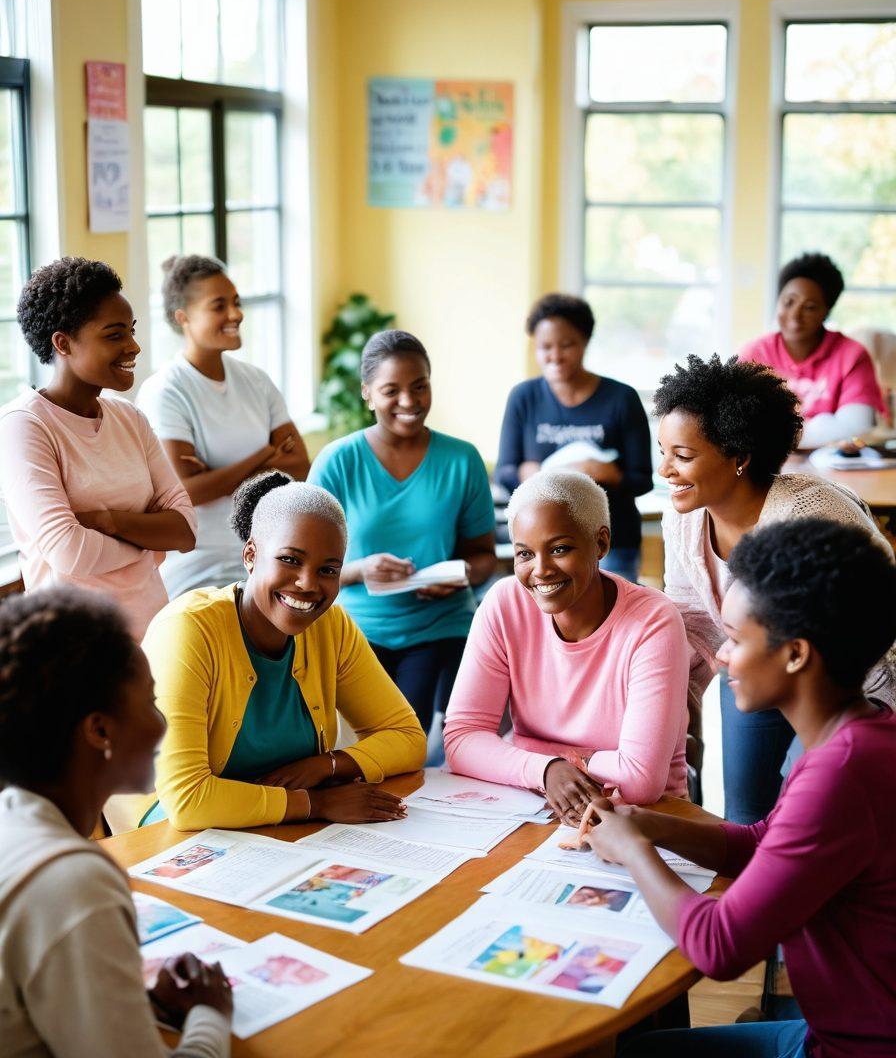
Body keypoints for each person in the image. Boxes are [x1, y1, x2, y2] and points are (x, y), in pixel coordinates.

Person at [585, 519, 896, 1058]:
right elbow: (762, 845)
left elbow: (719, 946)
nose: (721, 656)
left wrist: (634, 851)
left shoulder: (840, 773)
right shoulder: (857, 732)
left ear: (796, 654)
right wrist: (655, 825)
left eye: (734, 639)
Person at [657, 353, 895, 825]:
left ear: (740, 456)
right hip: (757, 671)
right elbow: (689, 621)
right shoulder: (681, 519)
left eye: (682, 457)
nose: (665, 470)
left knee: (812, 816)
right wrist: (665, 721)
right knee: (748, 819)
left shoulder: (812, 513)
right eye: (662, 451)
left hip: (850, 692)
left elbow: (872, 630)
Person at [0, 588, 232, 1057]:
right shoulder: (75, 882)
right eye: (150, 701)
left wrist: (137, 1003)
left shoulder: (12, 817)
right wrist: (209, 1011)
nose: (163, 723)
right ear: (100, 729)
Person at [142, 471, 426, 831]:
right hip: (173, 829)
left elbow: (407, 737)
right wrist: (316, 802)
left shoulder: (331, 626)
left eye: (328, 569)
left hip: (277, 827)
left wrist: (328, 765)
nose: (308, 583)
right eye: (291, 560)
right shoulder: (189, 629)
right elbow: (187, 800)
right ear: (250, 555)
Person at [443, 471, 688, 814]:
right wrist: (546, 770)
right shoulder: (504, 604)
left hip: (645, 817)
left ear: (601, 543)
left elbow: (640, 779)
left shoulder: (652, 620)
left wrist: (534, 754)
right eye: (525, 554)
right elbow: (461, 740)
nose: (541, 570)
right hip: (533, 805)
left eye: (559, 549)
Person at [308, 330, 495, 740]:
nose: (409, 402)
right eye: (391, 390)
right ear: (367, 394)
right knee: (354, 744)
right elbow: (303, 567)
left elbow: (485, 556)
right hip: (355, 630)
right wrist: (360, 569)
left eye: (420, 386)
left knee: (406, 737)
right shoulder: (337, 462)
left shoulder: (461, 459)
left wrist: (459, 573)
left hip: (438, 625)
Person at [0, 258, 196, 640]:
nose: (133, 346)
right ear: (63, 343)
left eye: (132, 331)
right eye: (114, 334)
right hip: (76, 650)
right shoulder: (24, 425)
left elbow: (185, 530)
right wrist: (147, 543)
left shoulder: (130, 418)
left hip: (156, 638)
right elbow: (68, 552)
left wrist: (108, 521)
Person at [137, 255, 309, 598]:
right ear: (183, 318)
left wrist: (216, 476)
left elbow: (300, 467)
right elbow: (185, 491)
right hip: (197, 566)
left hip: (269, 557)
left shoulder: (256, 381)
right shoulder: (165, 391)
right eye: (219, 306)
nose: (236, 314)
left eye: (236, 302)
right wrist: (264, 455)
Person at [495, 294, 652, 583]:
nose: (555, 356)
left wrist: (609, 474)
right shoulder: (523, 397)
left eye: (566, 345)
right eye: (545, 347)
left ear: (585, 342)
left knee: (615, 619)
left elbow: (643, 480)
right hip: (543, 545)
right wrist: (526, 472)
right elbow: (504, 472)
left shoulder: (621, 398)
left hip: (612, 543)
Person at [739, 252, 885, 447]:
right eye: (788, 302)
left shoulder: (852, 356)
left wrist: (773, 435)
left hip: (832, 469)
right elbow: (737, 423)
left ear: (826, 310)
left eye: (809, 307)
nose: (795, 315)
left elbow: (856, 426)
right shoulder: (754, 354)